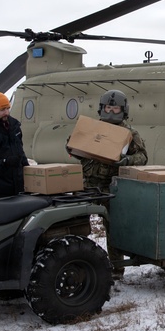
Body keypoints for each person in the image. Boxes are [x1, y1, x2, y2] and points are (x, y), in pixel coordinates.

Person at [70, 89, 148, 275]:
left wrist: (126, 160)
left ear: (123, 110)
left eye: (115, 108)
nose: (111, 111)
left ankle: (116, 268)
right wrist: (73, 147)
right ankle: (79, 263)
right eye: (108, 107)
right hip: (87, 184)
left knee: (113, 228)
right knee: (77, 225)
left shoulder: (129, 133)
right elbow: (76, 147)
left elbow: (143, 156)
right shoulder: (92, 128)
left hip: (112, 187)